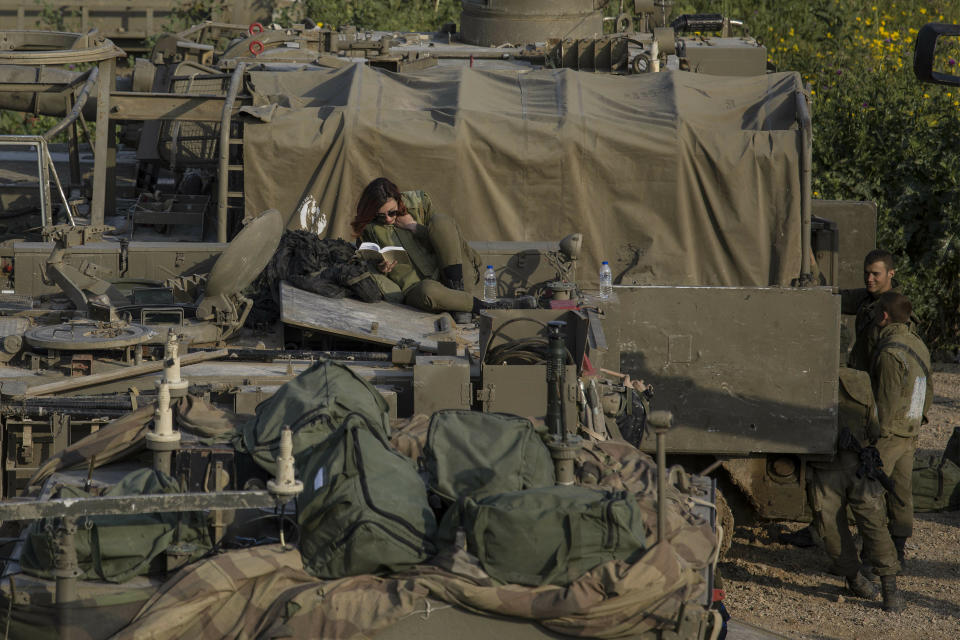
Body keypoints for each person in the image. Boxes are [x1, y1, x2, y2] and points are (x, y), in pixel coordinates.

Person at [807, 326, 903, 611]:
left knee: (832, 529)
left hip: (829, 468)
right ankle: (887, 590)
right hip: (853, 465)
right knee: (874, 525)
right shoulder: (860, 379)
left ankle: (860, 580)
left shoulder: (807, 379)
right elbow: (875, 426)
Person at [350, 178, 530, 314]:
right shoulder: (368, 230)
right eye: (381, 216)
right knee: (428, 289)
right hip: (417, 289)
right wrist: (381, 267)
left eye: (392, 212)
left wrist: (414, 228)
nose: (389, 219)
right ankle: (482, 306)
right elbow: (365, 262)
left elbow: (445, 236)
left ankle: (458, 296)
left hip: (450, 275)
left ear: (398, 201)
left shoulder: (418, 205)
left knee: (441, 221)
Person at [870, 291, 932, 573]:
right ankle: (898, 550)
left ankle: (875, 554)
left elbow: (885, 401)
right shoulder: (917, 344)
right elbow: (928, 389)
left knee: (867, 490)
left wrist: (873, 438)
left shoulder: (888, 352)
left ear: (884, 316)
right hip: (911, 428)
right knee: (901, 492)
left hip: (890, 433)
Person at [841, 249, 905, 371]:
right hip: (861, 375)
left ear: (891, 273)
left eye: (876, 274)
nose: (869, 279)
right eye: (866, 273)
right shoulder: (867, 296)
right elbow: (834, 298)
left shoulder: (898, 307)